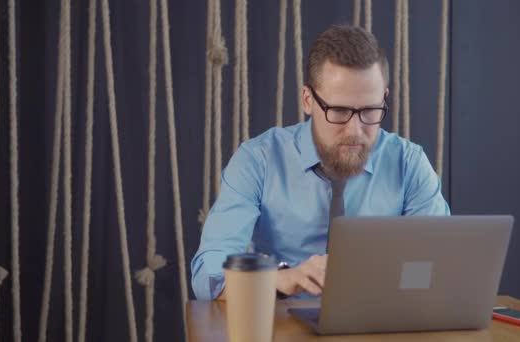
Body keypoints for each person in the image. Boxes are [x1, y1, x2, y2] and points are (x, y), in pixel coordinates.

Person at [191, 25, 450, 300]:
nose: (354, 130)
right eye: (338, 111)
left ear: (384, 98)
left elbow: (442, 268)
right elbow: (208, 278)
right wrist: (279, 279)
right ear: (307, 100)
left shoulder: (408, 163)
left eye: (370, 111)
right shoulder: (258, 161)